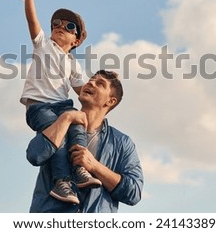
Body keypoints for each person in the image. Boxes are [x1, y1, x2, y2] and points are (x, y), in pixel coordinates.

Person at [19, 0, 101, 205]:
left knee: (78, 124)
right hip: (39, 106)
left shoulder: (74, 64)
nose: (59, 28)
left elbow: (84, 93)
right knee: (60, 138)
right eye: (56, 24)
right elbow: (32, 19)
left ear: (76, 41)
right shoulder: (43, 45)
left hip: (62, 105)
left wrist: (103, 98)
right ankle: (61, 182)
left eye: (68, 26)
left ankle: (80, 170)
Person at [26, 70, 144, 213]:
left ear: (110, 101)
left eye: (100, 84)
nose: (90, 83)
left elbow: (134, 192)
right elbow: (35, 155)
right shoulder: (58, 122)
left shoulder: (122, 143)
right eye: (91, 80)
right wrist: (66, 118)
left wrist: (94, 166)